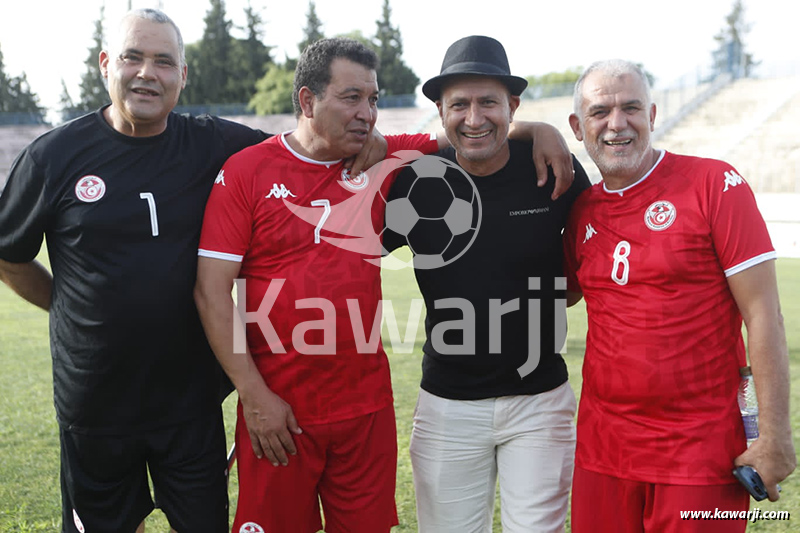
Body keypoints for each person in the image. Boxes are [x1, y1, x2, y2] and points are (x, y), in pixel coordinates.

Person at [0, 8, 394, 533]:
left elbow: (306, 144)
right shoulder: (54, 156)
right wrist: (66, 303)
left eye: (165, 62)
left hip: (191, 404)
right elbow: (8, 252)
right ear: (104, 64)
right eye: (133, 57)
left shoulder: (218, 145)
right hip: (96, 403)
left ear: (183, 76)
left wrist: (373, 139)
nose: (148, 73)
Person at [192, 36, 577, 532]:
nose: (367, 114)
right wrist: (253, 394)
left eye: (373, 99)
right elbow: (210, 291)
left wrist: (539, 129)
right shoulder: (247, 172)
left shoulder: (388, 162)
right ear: (307, 101)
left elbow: (472, 131)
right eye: (351, 97)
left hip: (366, 411)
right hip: (281, 410)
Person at [563, 59, 796, 533]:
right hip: (603, 453)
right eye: (600, 112)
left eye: (631, 108)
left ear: (651, 115)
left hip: (700, 453)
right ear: (577, 126)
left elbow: (764, 315)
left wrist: (773, 434)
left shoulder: (713, 185)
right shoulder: (581, 211)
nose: (616, 124)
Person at [381, 35, 591, 533]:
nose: (474, 118)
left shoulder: (552, 169)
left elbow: (587, 267)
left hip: (540, 402)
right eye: (459, 104)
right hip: (446, 405)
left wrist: (540, 132)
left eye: (488, 103)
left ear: (512, 106)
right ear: (439, 110)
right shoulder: (414, 180)